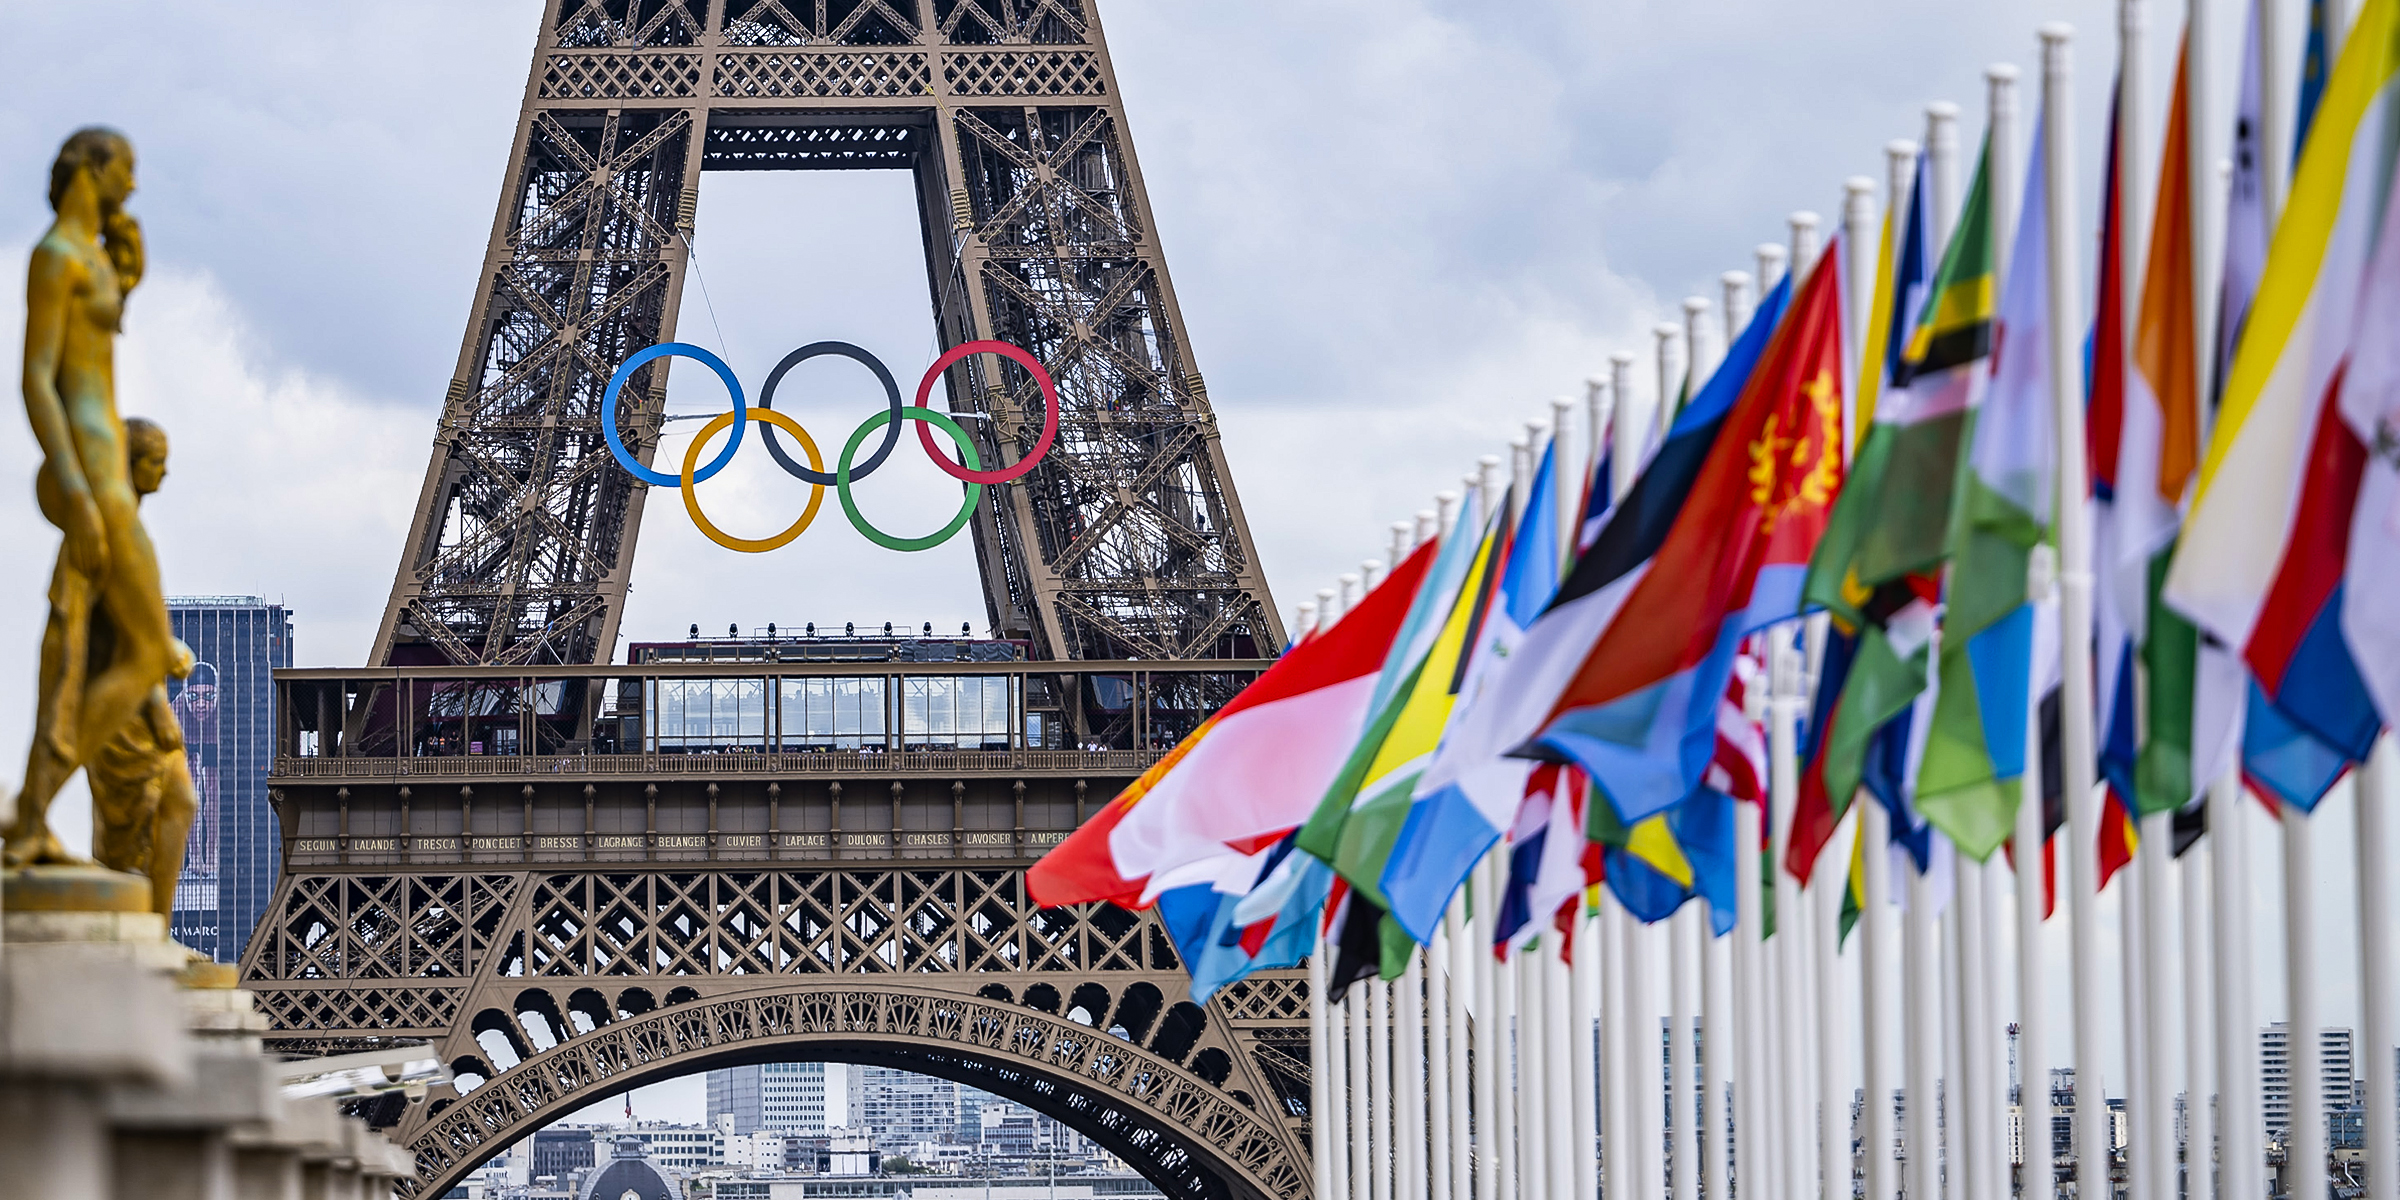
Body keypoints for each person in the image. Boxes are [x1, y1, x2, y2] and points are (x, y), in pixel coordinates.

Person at [9, 128, 191, 869]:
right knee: (148, 648)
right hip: (91, 471)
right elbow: (37, 379)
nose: (134, 185)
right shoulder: (53, 256)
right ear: (91, 169)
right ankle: (30, 810)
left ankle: (30, 810)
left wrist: (129, 270)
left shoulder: (87, 257)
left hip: (106, 468)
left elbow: (96, 345)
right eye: (126, 170)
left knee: (117, 646)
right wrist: (79, 492)